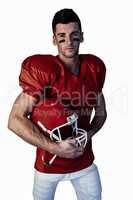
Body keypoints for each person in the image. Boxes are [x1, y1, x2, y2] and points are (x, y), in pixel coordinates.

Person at [8, 8, 107, 200]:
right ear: (54, 39)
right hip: (48, 164)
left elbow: (101, 113)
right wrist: (54, 148)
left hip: (84, 161)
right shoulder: (43, 71)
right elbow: (15, 120)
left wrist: (90, 133)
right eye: (62, 37)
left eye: (74, 35)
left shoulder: (94, 69)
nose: (69, 42)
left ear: (82, 37)